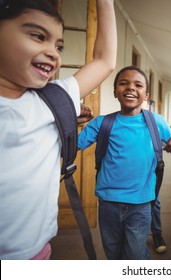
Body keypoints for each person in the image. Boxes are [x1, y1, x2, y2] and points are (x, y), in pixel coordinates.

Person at [0, 0, 116, 260]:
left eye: (58, 45)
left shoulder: (52, 98)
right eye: (38, 36)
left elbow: (104, 60)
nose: (53, 53)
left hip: (37, 252)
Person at [77, 66, 171, 260]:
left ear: (145, 95)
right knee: (113, 253)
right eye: (123, 83)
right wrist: (71, 121)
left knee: (135, 254)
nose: (130, 88)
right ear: (115, 92)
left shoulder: (156, 122)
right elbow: (72, 146)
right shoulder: (102, 123)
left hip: (141, 203)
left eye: (138, 85)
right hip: (108, 203)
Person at [142, 99, 171, 254]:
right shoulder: (116, 120)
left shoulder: (155, 120)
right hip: (126, 174)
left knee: (153, 201)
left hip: (150, 171)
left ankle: (157, 234)